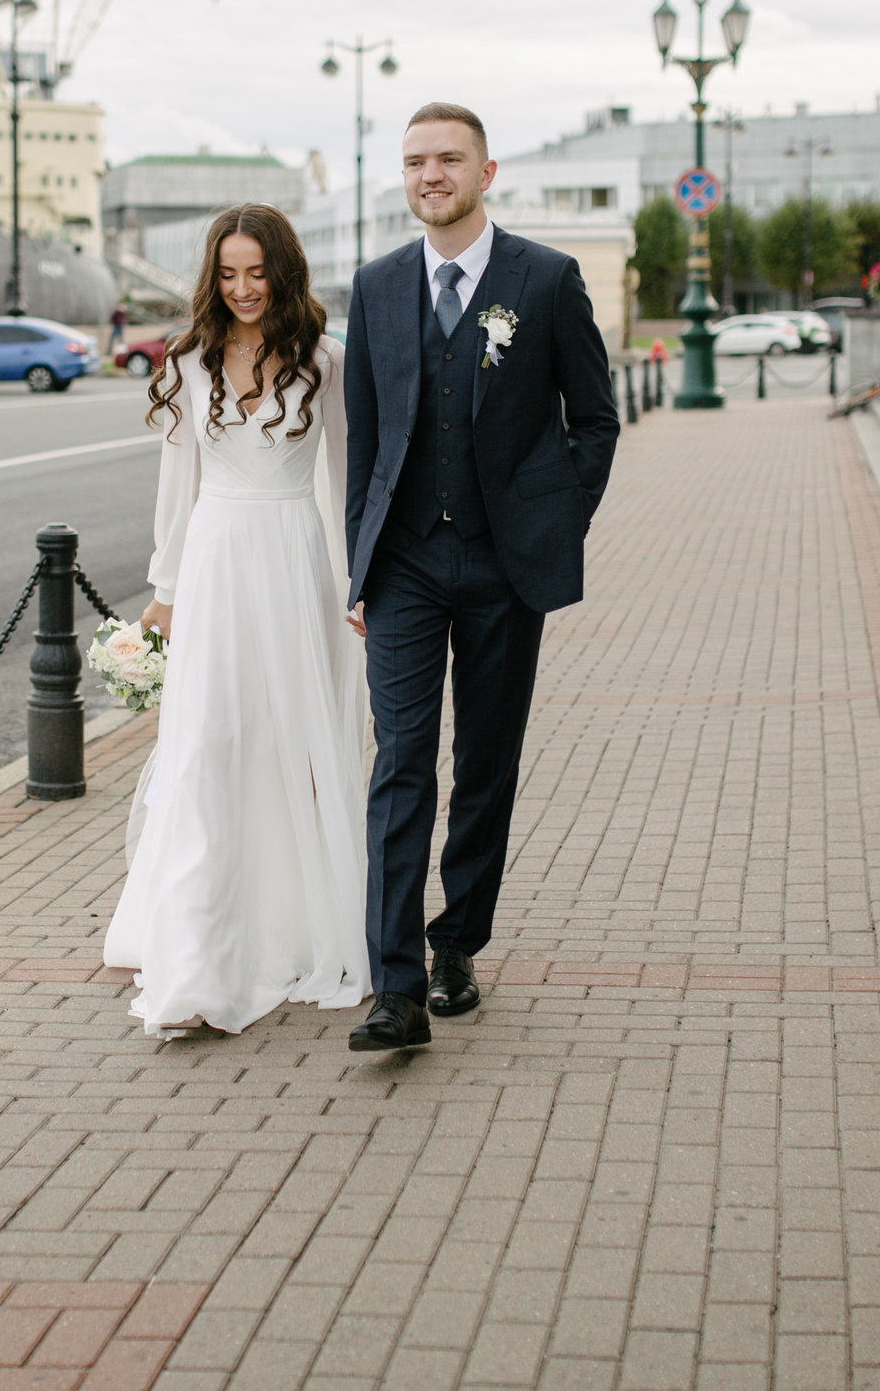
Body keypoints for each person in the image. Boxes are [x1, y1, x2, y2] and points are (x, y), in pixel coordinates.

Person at [341, 103, 621, 1052]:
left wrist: (552, 524)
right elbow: (367, 442)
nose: (431, 175)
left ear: (486, 170)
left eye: (448, 159)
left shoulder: (544, 279)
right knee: (401, 762)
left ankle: (457, 942)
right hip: (408, 565)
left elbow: (595, 419)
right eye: (416, 161)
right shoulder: (376, 286)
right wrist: (359, 568)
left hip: (507, 567)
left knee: (486, 765)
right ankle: (396, 986)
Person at [103, 204, 369, 1038]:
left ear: (283, 272)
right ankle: (197, 955)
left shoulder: (326, 361)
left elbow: (350, 478)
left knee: (291, 741)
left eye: (256, 272)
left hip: (295, 565)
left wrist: (362, 580)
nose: (243, 288)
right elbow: (175, 488)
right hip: (214, 564)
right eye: (228, 273)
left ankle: (293, 925)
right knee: (210, 743)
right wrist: (164, 589)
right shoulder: (189, 361)